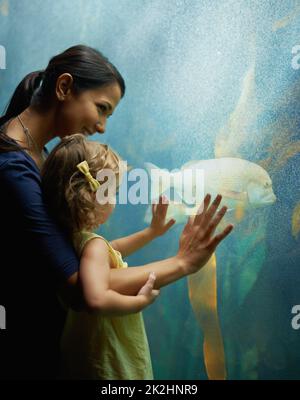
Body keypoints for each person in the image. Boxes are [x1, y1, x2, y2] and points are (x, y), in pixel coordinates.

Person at [0, 44, 233, 379]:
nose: (102, 127)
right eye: (102, 108)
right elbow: (81, 288)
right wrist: (181, 263)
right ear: (64, 87)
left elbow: (78, 252)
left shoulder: (41, 155)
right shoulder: (14, 168)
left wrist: (153, 236)